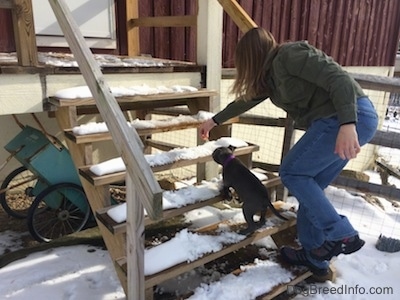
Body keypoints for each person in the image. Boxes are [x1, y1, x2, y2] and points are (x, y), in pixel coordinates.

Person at [199, 27, 378, 276]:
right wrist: (214, 121)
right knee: (309, 185)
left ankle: (341, 234)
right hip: (337, 121)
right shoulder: (269, 78)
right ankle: (315, 255)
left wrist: (347, 124)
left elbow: (339, 78)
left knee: (292, 172)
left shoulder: (290, 55)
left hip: (345, 117)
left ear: (251, 57)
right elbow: (245, 100)